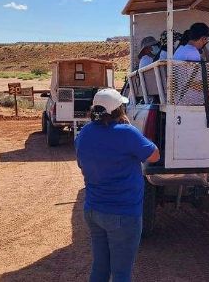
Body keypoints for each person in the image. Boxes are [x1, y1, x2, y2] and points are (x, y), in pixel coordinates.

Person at [75, 88, 160, 282]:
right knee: (121, 274)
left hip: (94, 210)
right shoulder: (126, 132)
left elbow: (82, 164)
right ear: (118, 110)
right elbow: (154, 155)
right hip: (123, 213)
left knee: (99, 269)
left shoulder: (85, 132)